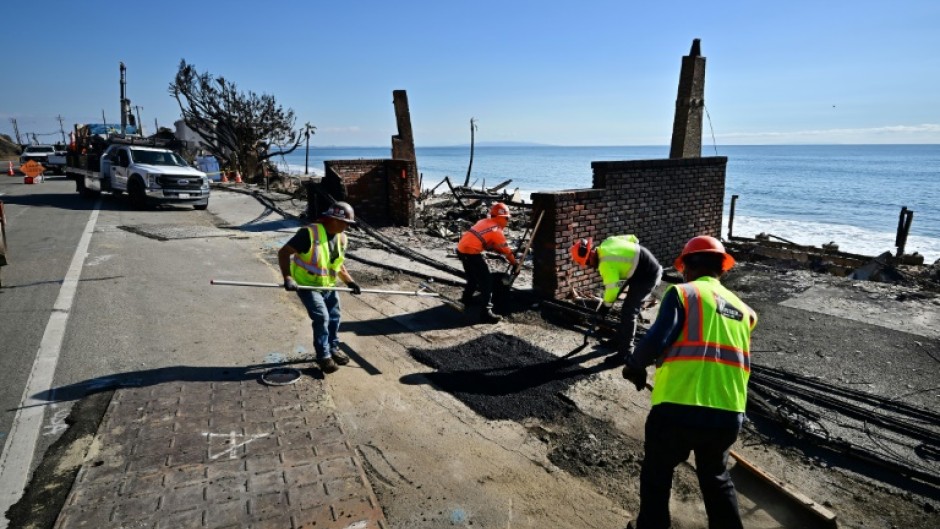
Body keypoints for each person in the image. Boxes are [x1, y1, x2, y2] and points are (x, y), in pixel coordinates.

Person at [621, 235, 757, 529]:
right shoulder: (746, 312)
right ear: (722, 268)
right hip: (728, 413)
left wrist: (634, 364)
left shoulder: (682, 294)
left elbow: (657, 337)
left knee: (658, 471)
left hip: (679, 407)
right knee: (715, 477)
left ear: (686, 267)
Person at [278, 201, 362, 374]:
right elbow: (284, 253)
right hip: (307, 284)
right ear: (333, 219)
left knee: (334, 317)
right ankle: (323, 356)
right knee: (322, 317)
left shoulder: (342, 238)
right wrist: (287, 277)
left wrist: (349, 281)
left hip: (328, 285)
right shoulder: (308, 234)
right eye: (345, 223)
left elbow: (337, 264)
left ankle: (332, 348)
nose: (347, 227)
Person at [570, 234, 662, 364]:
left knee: (629, 311)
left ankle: (626, 352)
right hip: (641, 266)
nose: (591, 266)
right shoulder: (608, 241)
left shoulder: (605, 264)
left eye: (588, 263)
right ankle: (619, 340)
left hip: (648, 274)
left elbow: (612, 290)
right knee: (626, 308)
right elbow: (634, 239)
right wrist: (629, 262)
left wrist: (604, 308)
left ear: (590, 254)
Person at [456, 202, 519, 324]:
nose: (507, 221)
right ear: (501, 218)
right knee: (487, 281)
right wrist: (514, 263)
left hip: (461, 249)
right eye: (507, 218)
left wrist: (491, 247)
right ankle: (486, 313)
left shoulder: (483, 221)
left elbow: (483, 238)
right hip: (471, 252)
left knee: (472, 277)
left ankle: (466, 299)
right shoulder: (497, 231)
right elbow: (506, 251)